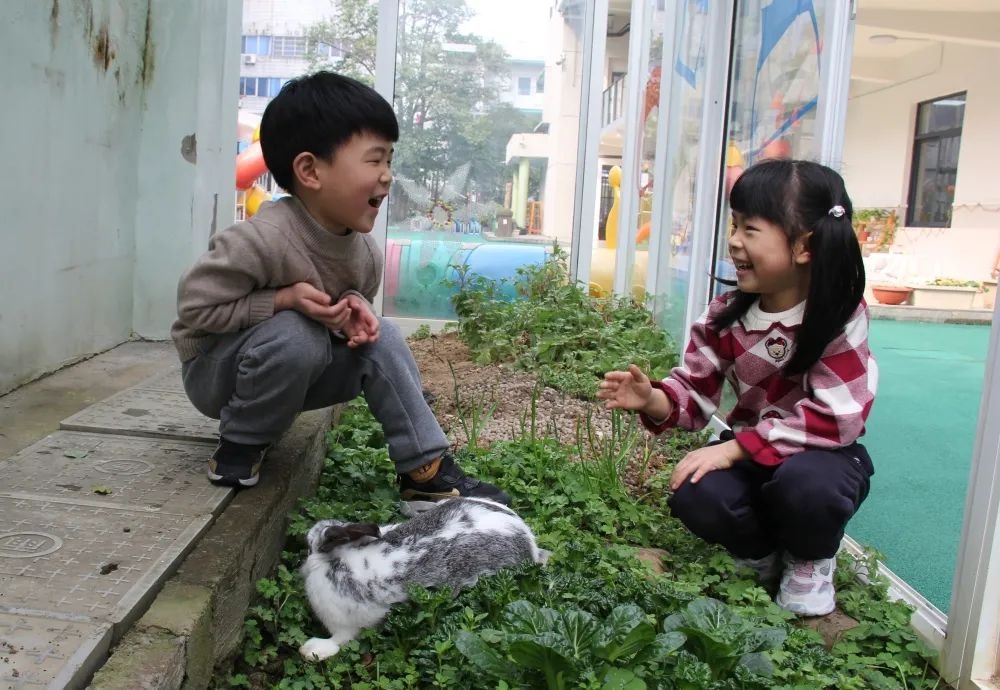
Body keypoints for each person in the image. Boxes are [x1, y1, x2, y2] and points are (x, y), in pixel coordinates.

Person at [170, 71, 510, 514]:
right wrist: (280, 301)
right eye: (374, 160)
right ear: (310, 170)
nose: (387, 177)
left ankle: (424, 470)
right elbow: (194, 309)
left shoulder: (364, 254)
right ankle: (241, 442)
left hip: (292, 372)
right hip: (216, 373)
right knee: (296, 331)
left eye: (389, 160)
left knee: (381, 334)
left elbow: (337, 329)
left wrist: (351, 316)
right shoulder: (260, 239)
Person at [598, 159, 876, 617]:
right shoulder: (725, 315)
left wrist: (732, 450)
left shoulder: (839, 315)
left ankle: (810, 558)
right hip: (753, 456)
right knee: (695, 490)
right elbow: (694, 393)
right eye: (734, 224)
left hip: (822, 459)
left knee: (809, 486)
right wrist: (652, 398)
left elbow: (838, 416)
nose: (734, 241)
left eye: (750, 228)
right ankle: (762, 555)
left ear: (805, 245)